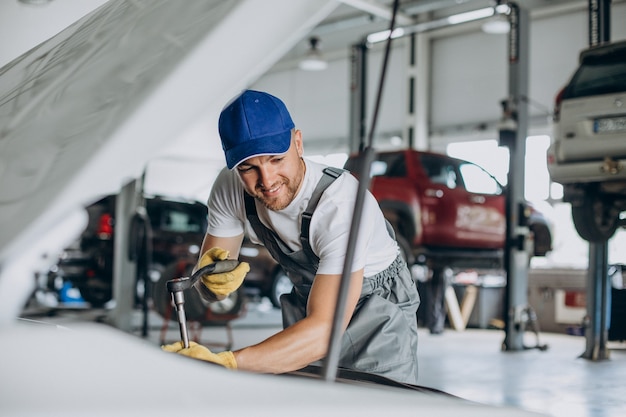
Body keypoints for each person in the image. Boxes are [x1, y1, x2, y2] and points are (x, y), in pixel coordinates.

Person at [163, 89, 420, 385]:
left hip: (377, 309)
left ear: (297, 142)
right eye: (249, 168)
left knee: (380, 405)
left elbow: (324, 330)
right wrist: (211, 283)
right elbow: (212, 293)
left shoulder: (339, 205)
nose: (267, 180)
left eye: (275, 159)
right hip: (312, 302)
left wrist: (229, 363)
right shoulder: (229, 187)